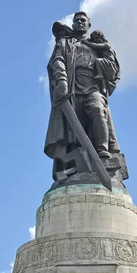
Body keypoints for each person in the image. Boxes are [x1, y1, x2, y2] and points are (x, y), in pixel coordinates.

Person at [45, 11, 122, 184]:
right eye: (76, 20)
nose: (79, 23)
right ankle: (74, 168)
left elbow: (113, 71)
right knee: (73, 132)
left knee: (97, 109)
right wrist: (62, 80)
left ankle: (102, 151)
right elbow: (57, 61)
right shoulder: (65, 43)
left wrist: (106, 53)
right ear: (73, 24)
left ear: (89, 25)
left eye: (83, 21)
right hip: (72, 90)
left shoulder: (97, 45)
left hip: (93, 88)